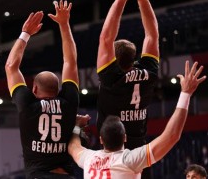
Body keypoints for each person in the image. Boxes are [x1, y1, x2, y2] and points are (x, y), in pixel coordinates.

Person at [68, 61, 206, 178]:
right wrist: (186, 93)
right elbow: (171, 135)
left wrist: (76, 126)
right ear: (125, 138)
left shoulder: (88, 159)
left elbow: (73, 147)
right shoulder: (129, 160)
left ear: (101, 139)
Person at [5, 0, 79, 179]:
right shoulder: (69, 101)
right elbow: (70, 62)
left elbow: (11, 66)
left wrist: (25, 34)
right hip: (66, 175)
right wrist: (64, 24)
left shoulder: (26, 103)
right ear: (59, 87)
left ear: (34, 88)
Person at [95, 0, 159, 177]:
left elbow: (106, 37)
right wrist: (144, 1)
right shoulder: (149, 73)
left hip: (113, 155)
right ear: (134, 57)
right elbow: (152, 35)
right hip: (140, 151)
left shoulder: (111, 77)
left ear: (112, 60)